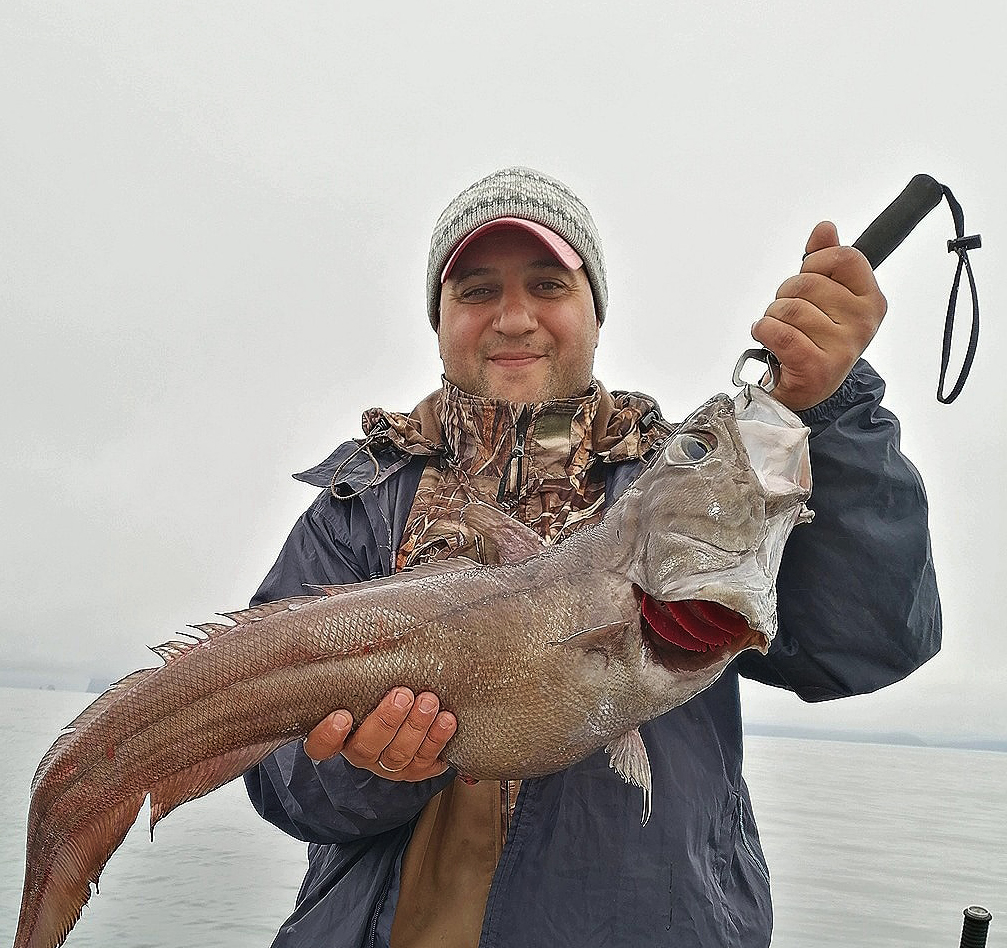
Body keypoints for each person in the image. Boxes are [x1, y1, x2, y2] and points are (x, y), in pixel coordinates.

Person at [244, 167, 940, 947]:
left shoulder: (685, 491)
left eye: (548, 285)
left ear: (595, 312)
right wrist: (365, 769)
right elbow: (282, 784)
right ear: (437, 319)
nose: (513, 319)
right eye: (475, 291)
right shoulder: (355, 505)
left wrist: (830, 409)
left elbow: (867, 643)